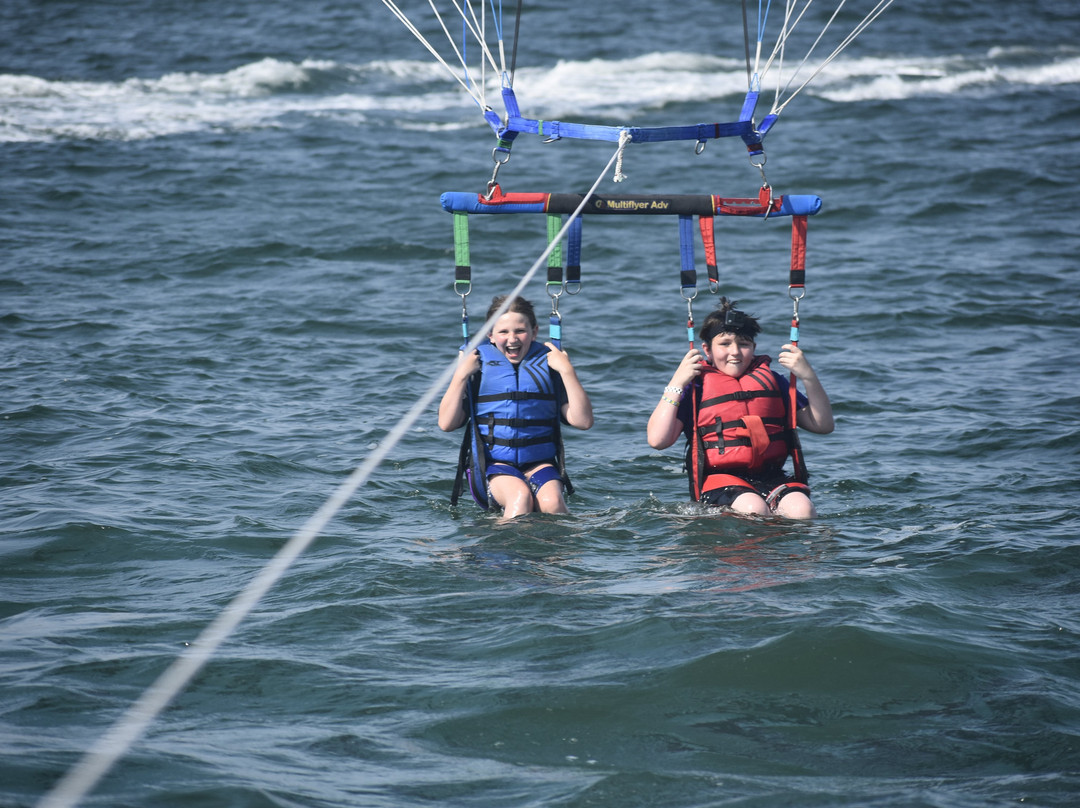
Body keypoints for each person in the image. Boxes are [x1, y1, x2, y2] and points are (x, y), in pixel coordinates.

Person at [646, 298, 834, 519]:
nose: (735, 351)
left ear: (753, 348)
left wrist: (808, 376)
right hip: (719, 480)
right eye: (724, 344)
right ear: (707, 349)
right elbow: (658, 440)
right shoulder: (695, 388)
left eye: (743, 344)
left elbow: (823, 425)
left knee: (803, 510)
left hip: (771, 477)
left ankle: (785, 553)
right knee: (753, 509)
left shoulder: (772, 381)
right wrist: (677, 383)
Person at [439, 295, 594, 520]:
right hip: (494, 466)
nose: (512, 339)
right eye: (503, 332)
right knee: (520, 498)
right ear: (490, 335)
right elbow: (446, 424)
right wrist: (461, 374)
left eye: (520, 331)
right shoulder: (478, 368)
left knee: (553, 503)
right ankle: (502, 551)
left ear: (534, 332)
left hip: (540, 464)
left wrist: (567, 371)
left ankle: (558, 554)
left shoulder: (550, 365)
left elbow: (584, 422)